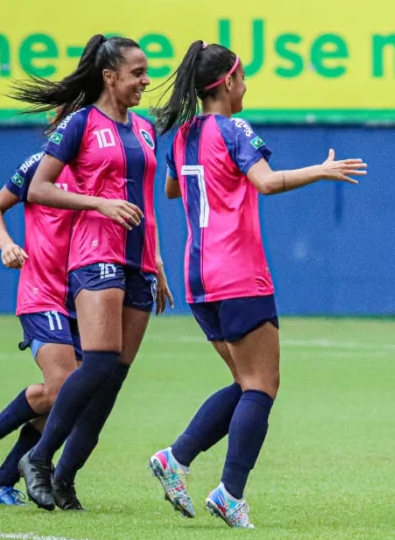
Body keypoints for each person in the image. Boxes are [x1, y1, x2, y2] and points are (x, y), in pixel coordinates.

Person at [144, 40, 366, 529]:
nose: (246, 86)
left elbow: (173, 188)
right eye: (243, 78)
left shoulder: (183, 135)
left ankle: (175, 460)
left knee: (246, 383)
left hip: (199, 275)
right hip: (238, 271)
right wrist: (322, 170)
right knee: (262, 386)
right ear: (227, 83)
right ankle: (229, 493)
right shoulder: (234, 128)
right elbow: (265, 182)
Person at [7, 33, 174, 511]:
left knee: (114, 377)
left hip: (138, 260)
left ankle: (65, 477)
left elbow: (145, 202)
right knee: (98, 362)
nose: (146, 80)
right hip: (94, 252)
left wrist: (157, 262)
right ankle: (37, 459)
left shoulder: (145, 128)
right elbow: (39, 189)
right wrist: (97, 202)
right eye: (137, 72)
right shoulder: (80, 123)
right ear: (109, 76)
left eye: (147, 71)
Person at [0, 152, 81, 506]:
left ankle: (0, 484)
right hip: (42, 292)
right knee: (63, 388)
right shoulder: (40, 164)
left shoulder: (104, 163)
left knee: (72, 400)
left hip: (86, 296)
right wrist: (7, 245)